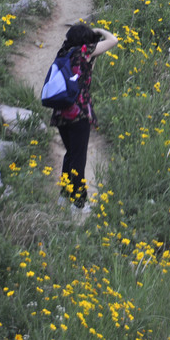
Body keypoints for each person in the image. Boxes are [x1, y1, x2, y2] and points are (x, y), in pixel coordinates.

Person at [50, 23, 118, 212]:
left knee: (70, 154)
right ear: (85, 40)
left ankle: (64, 196)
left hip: (60, 111)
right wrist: (99, 31)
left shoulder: (63, 53)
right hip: (78, 112)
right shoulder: (84, 52)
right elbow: (113, 40)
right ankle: (78, 203)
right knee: (78, 158)